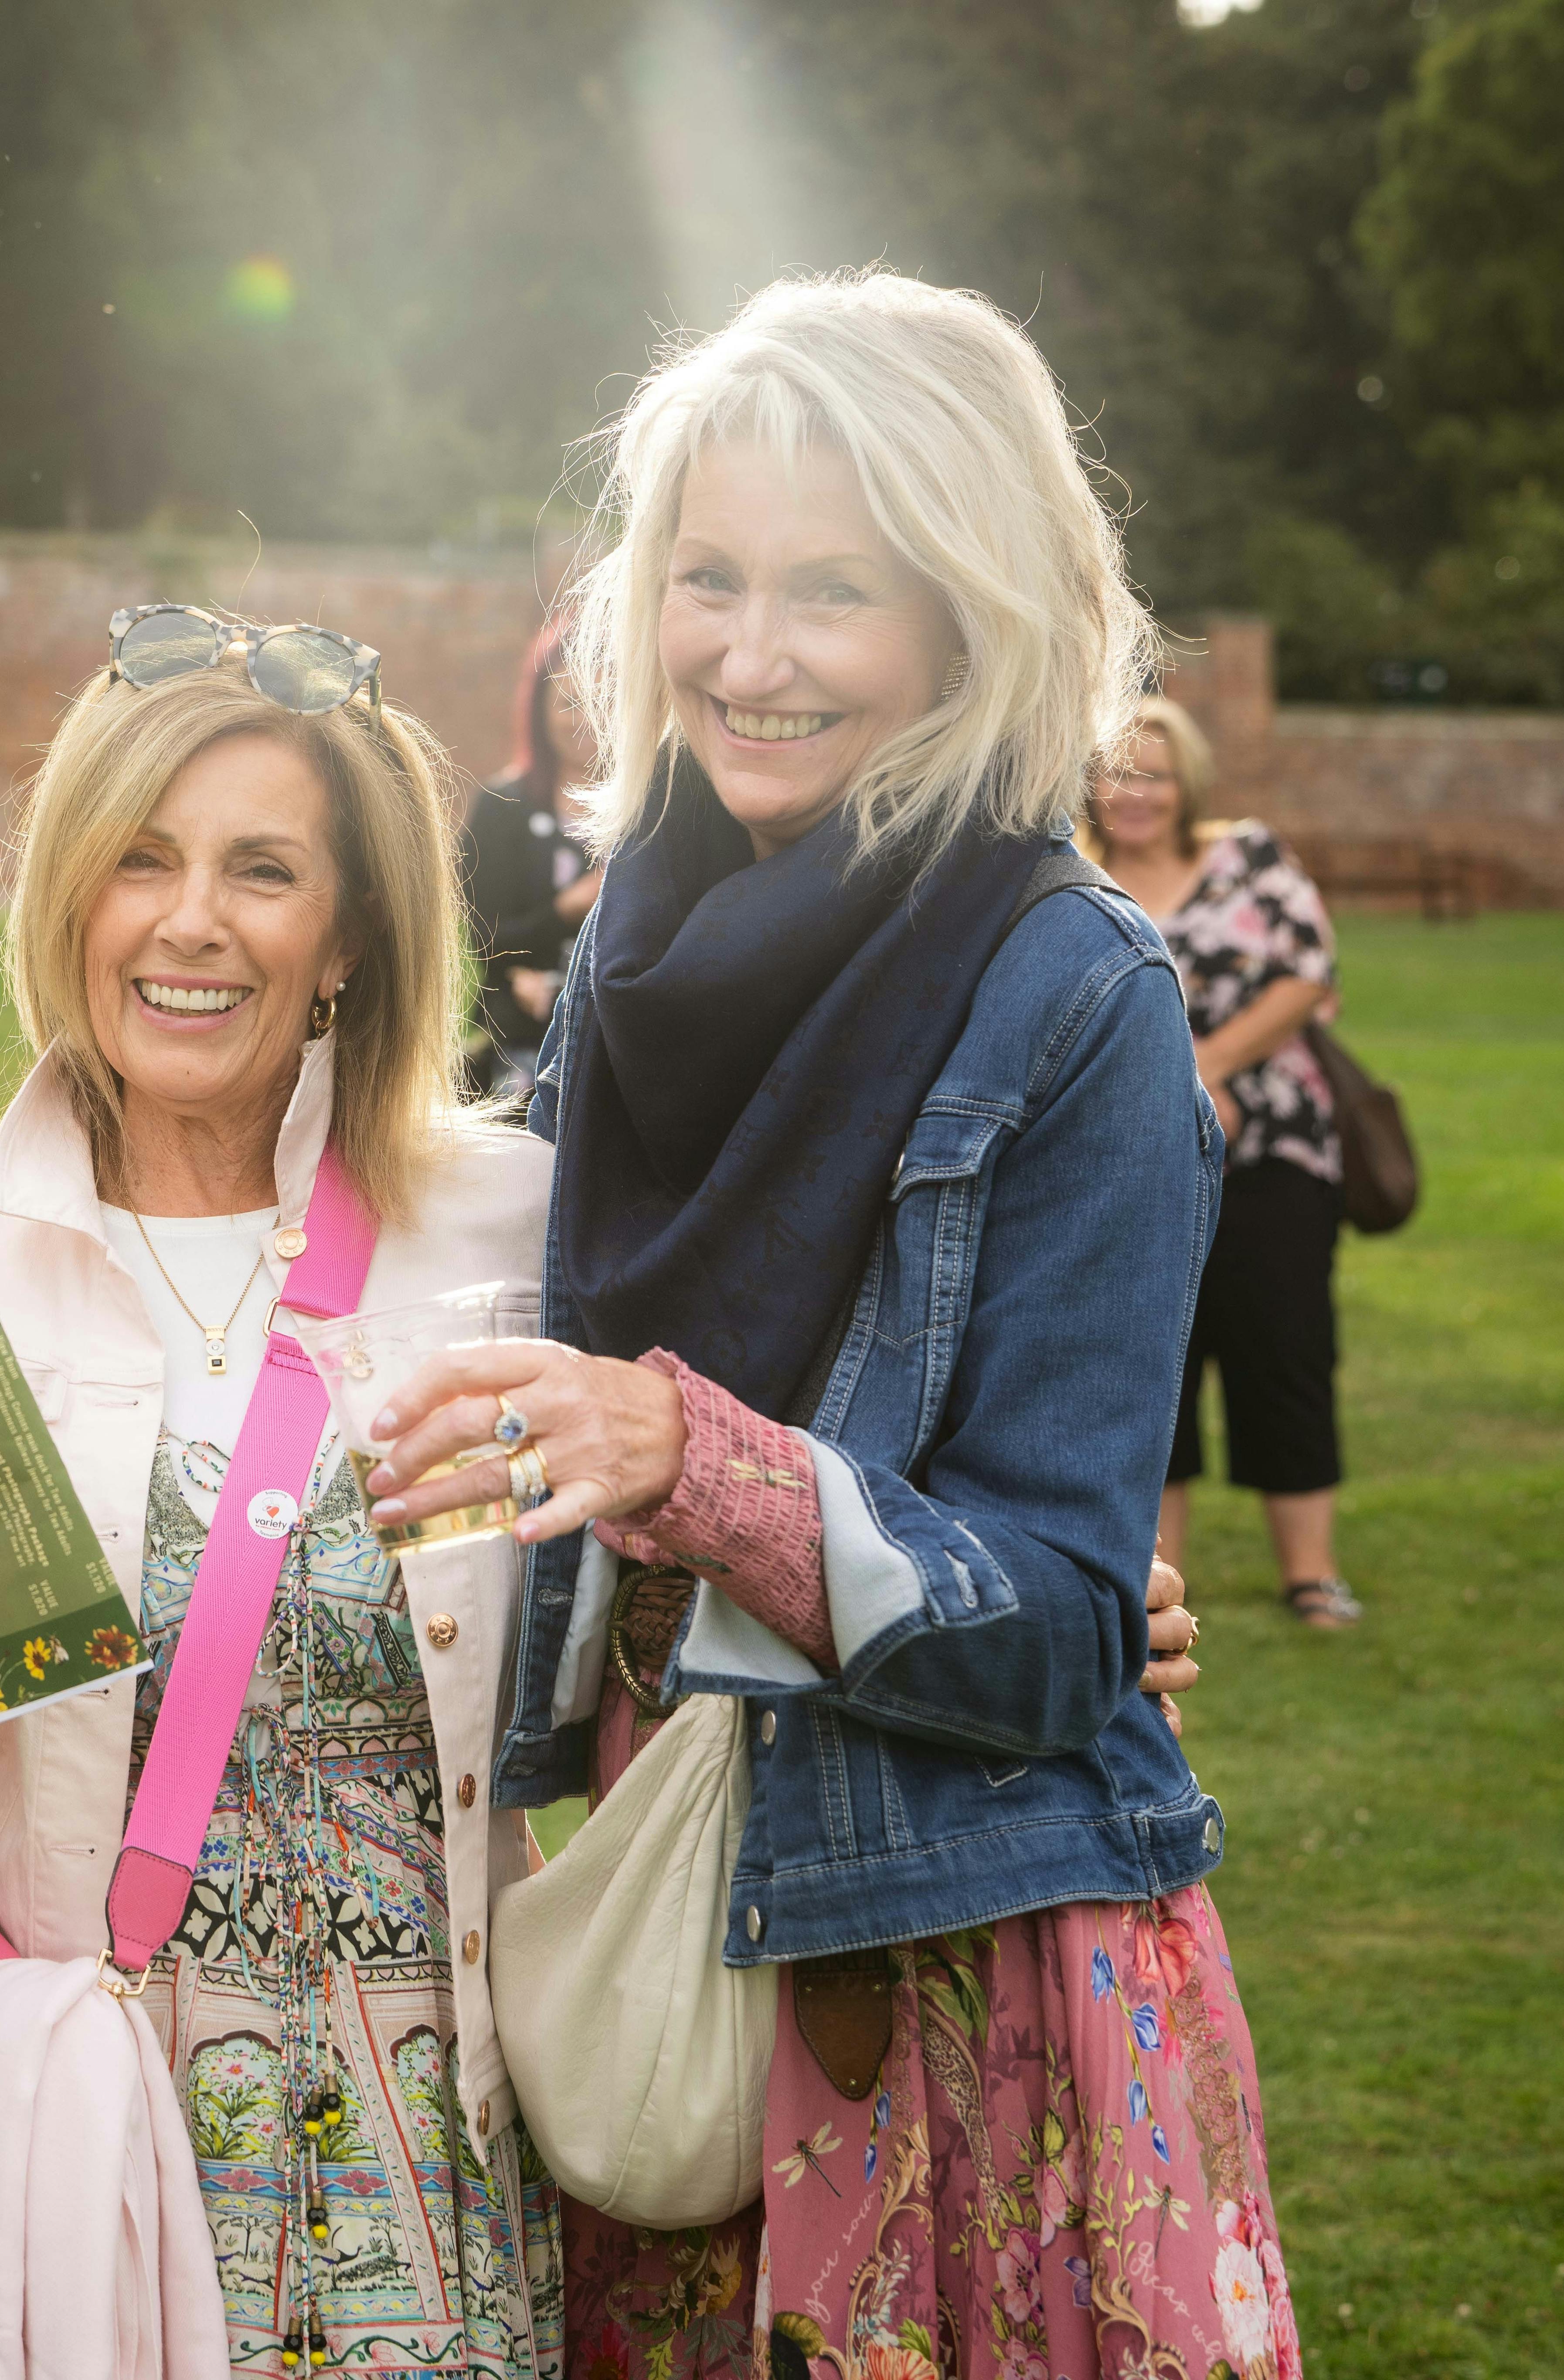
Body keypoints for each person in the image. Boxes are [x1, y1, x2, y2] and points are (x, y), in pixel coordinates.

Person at [364, 274, 1290, 2380]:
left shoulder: (1081, 1004)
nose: (747, 660)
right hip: (674, 1956)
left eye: (833, 597)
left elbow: (1059, 1623)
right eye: (707, 580)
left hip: (953, 1983)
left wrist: (688, 1462)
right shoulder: (645, 950)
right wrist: (80, 1180)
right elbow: (470, 1253)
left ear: (971, 617)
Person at [0, 609, 572, 2378]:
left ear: (347, 938)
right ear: (69, 898)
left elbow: (654, 1578)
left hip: (437, 2137)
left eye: (260, 870)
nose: (189, 921)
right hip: (99, 2145)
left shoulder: (512, 1230)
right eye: (138, 859)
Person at [1089, 698, 1362, 1629]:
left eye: (1154, 774)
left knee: (1282, 1353)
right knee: (1147, 1367)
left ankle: (1311, 1575)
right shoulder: (1071, 879)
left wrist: (1205, 1065)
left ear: (1188, 782)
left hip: (1273, 1153)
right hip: (1127, 1166)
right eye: (1118, 771)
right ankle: (1156, 1584)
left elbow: (1310, 970)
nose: (1134, 793)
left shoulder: (1248, 855)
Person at [458, 622, 603, 1101]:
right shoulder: (502, 807)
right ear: (540, 707)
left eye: (603, 702)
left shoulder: (649, 813)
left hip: (611, 1043)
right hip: (515, 1044)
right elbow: (482, 936)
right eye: (570, 702)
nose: (584, 718)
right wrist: (569, 908)